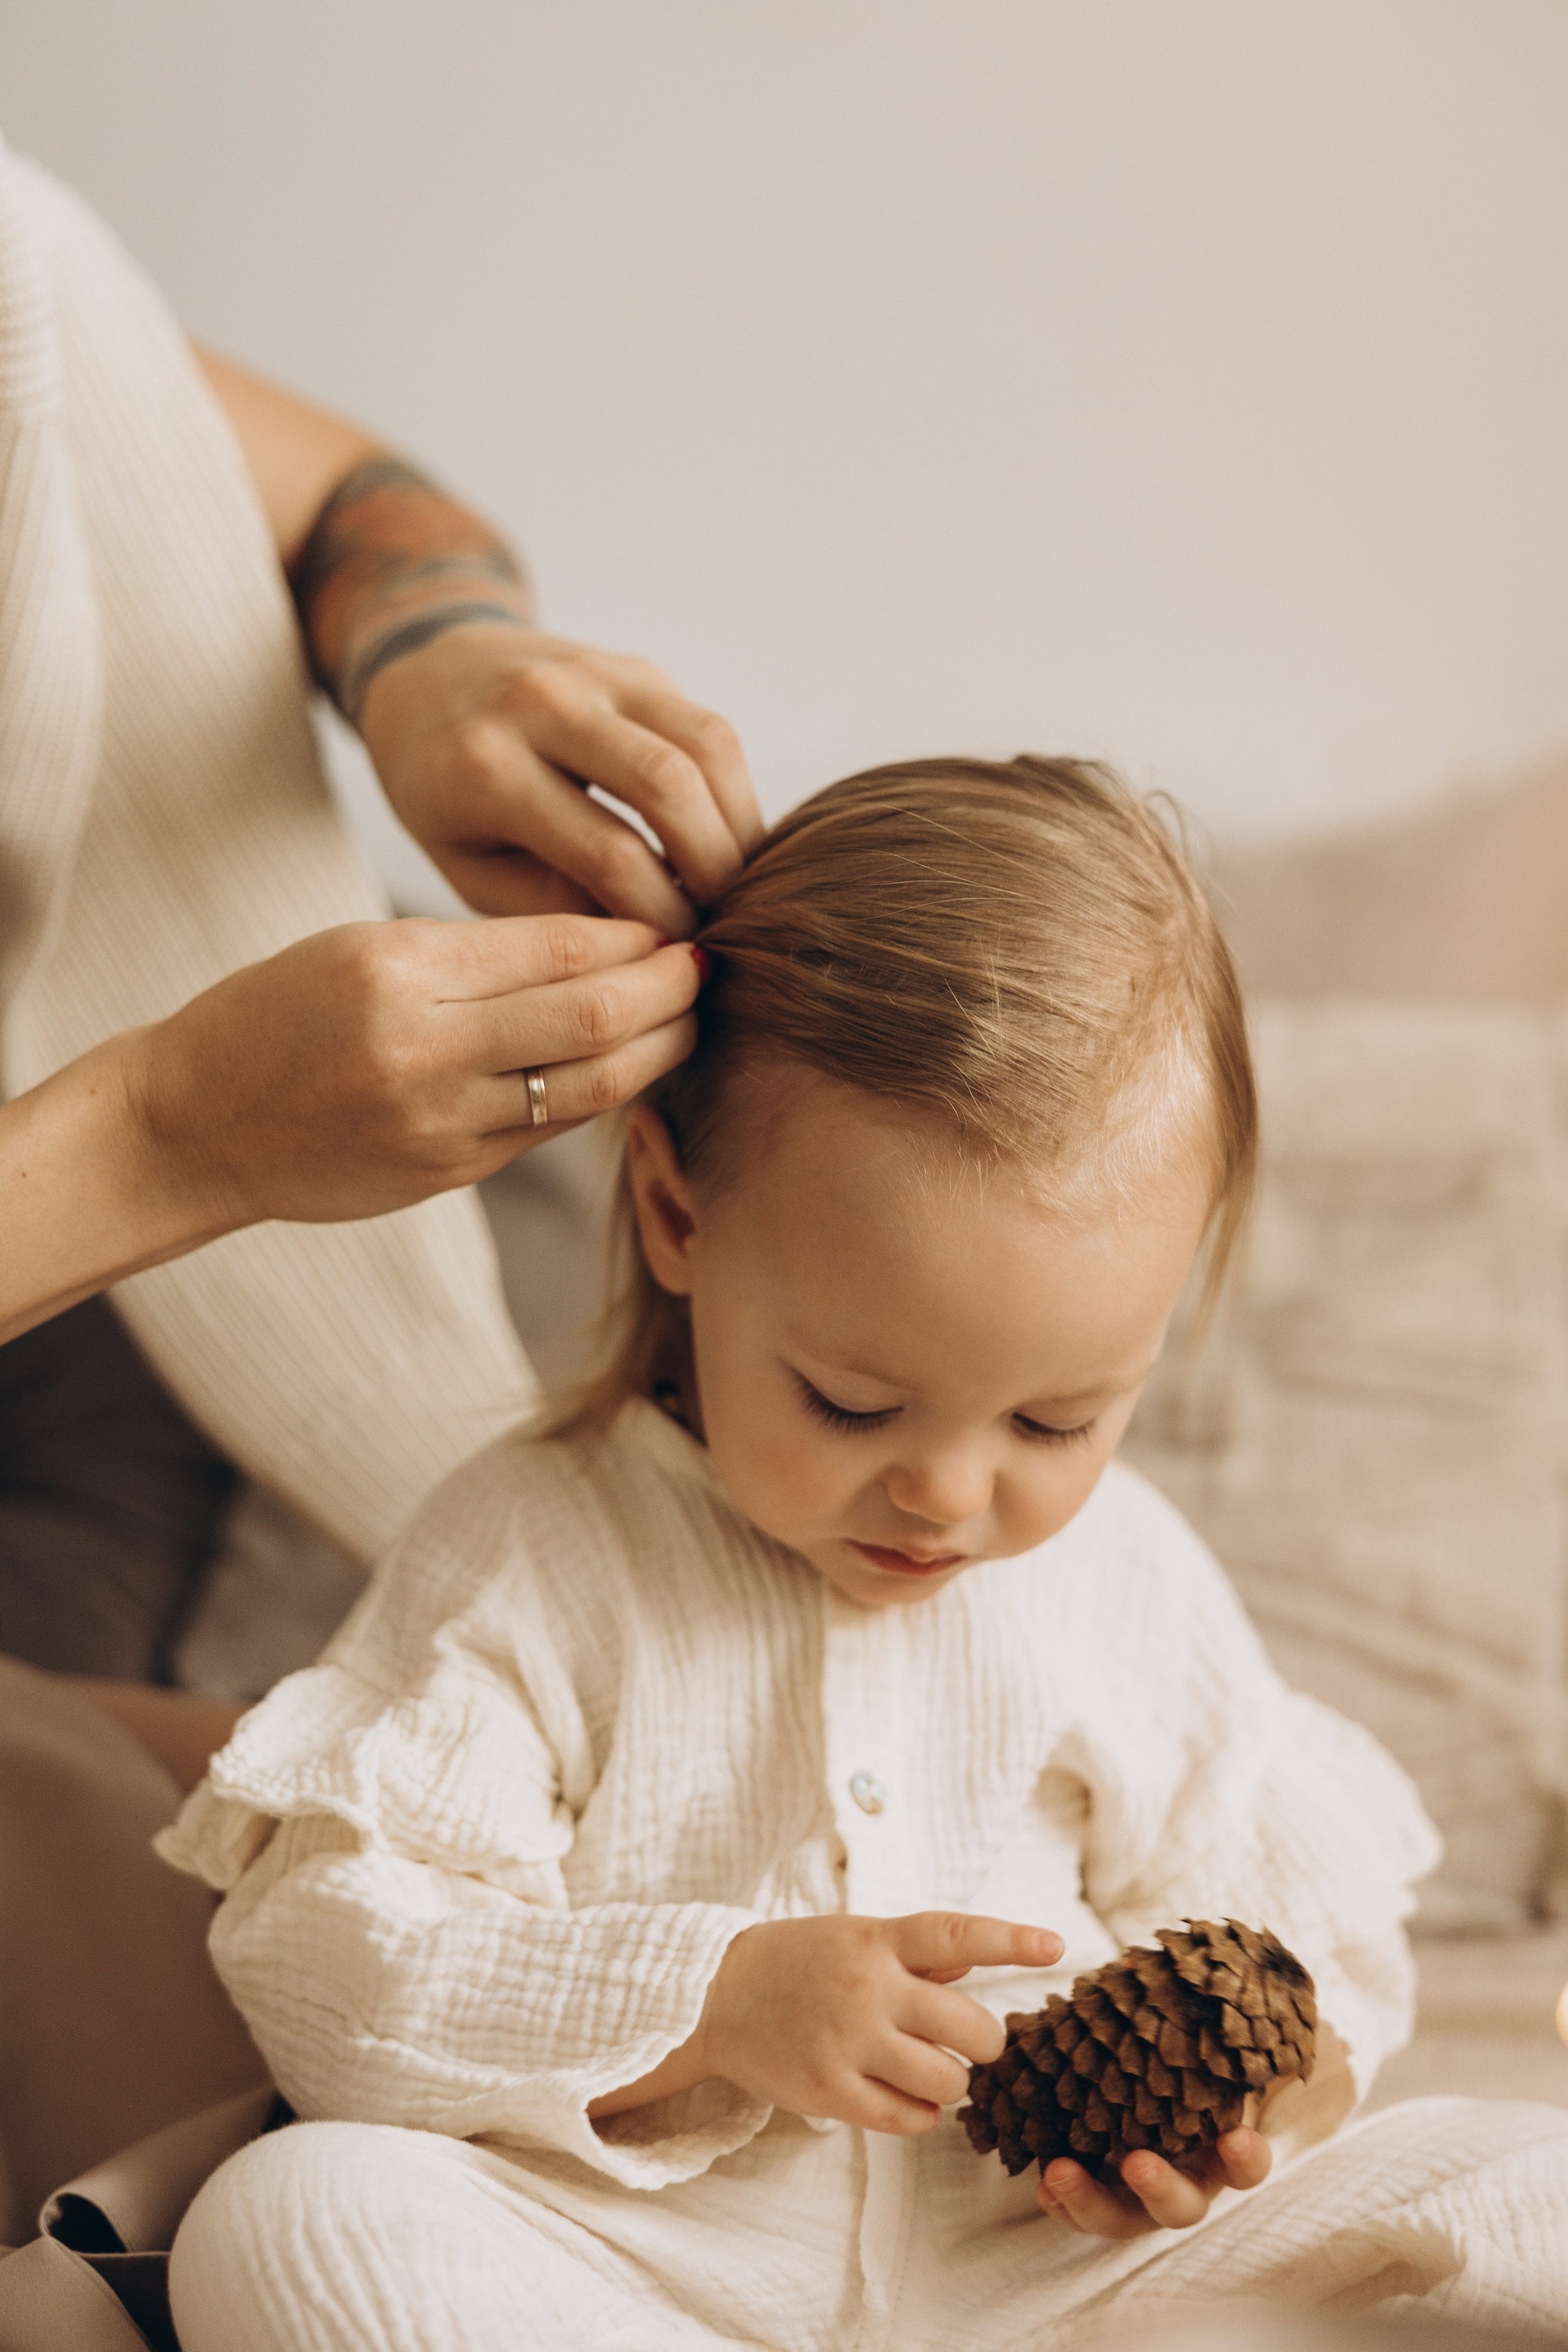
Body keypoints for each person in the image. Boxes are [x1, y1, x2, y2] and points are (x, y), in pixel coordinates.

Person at [157, 760, 1568, 2350]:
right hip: (656, 2272)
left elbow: (1306, 1941)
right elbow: (337, 1965)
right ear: (680, 1218)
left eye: (1055, 1421)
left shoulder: (1128, 1580)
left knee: (1528, 2193)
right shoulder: (536, 1554)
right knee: (298, 2223)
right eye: (855, 1401)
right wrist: (709, 2003)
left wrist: (1232, 2106)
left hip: (1046, 2274)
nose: (951, 1497)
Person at [0, 136, 759, 1725]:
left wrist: (433, 652)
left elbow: (342, 495)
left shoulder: (18, 277)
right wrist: (165, 1142)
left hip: (247, 1147)